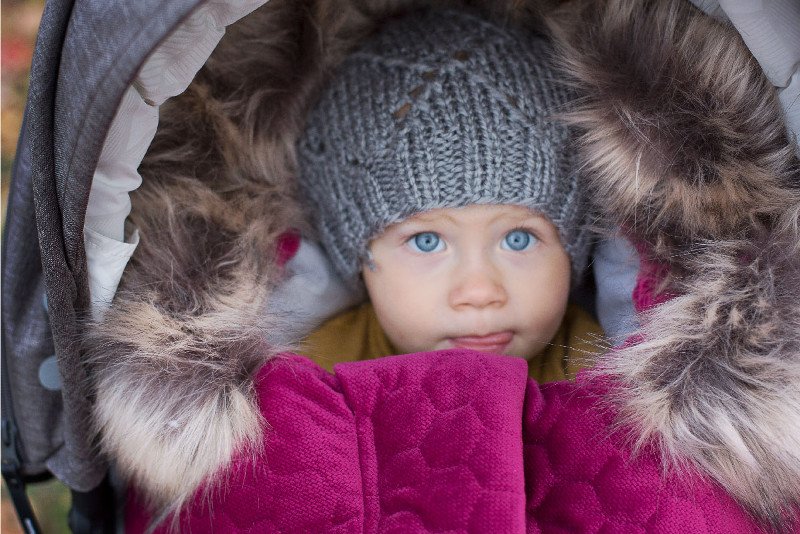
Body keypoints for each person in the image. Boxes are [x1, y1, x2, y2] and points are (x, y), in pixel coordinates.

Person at [294, 8, 602, 381]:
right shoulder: (318, 376)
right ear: (359, 262)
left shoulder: (599, 374)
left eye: (518, 239)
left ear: (573, 253)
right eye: (426, 241)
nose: (479, 291)